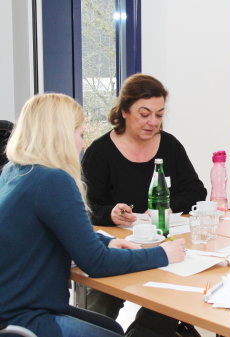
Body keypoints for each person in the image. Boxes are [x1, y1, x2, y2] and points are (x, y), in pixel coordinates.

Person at [0, 93, 186, 337]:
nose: (83, 144)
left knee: (113, 328)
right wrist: (163, 254)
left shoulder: (16, 171)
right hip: (26, 316)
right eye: (80, 134)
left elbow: (59, 231)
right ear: (60, 137)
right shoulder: (52, 180)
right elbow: (97, 263)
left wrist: (107, 241)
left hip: (14, 305)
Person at [82, 73, 207, 337]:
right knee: (99, 307)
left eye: (159, 115)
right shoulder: (100, 152)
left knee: (171, 300)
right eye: (145, 113)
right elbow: (86, 206)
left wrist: (168, 206)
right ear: (125, 111)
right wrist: (111, 214)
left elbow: (196, 190)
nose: (153, 122)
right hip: (118, 248)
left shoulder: (169, 145)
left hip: (163, 246)